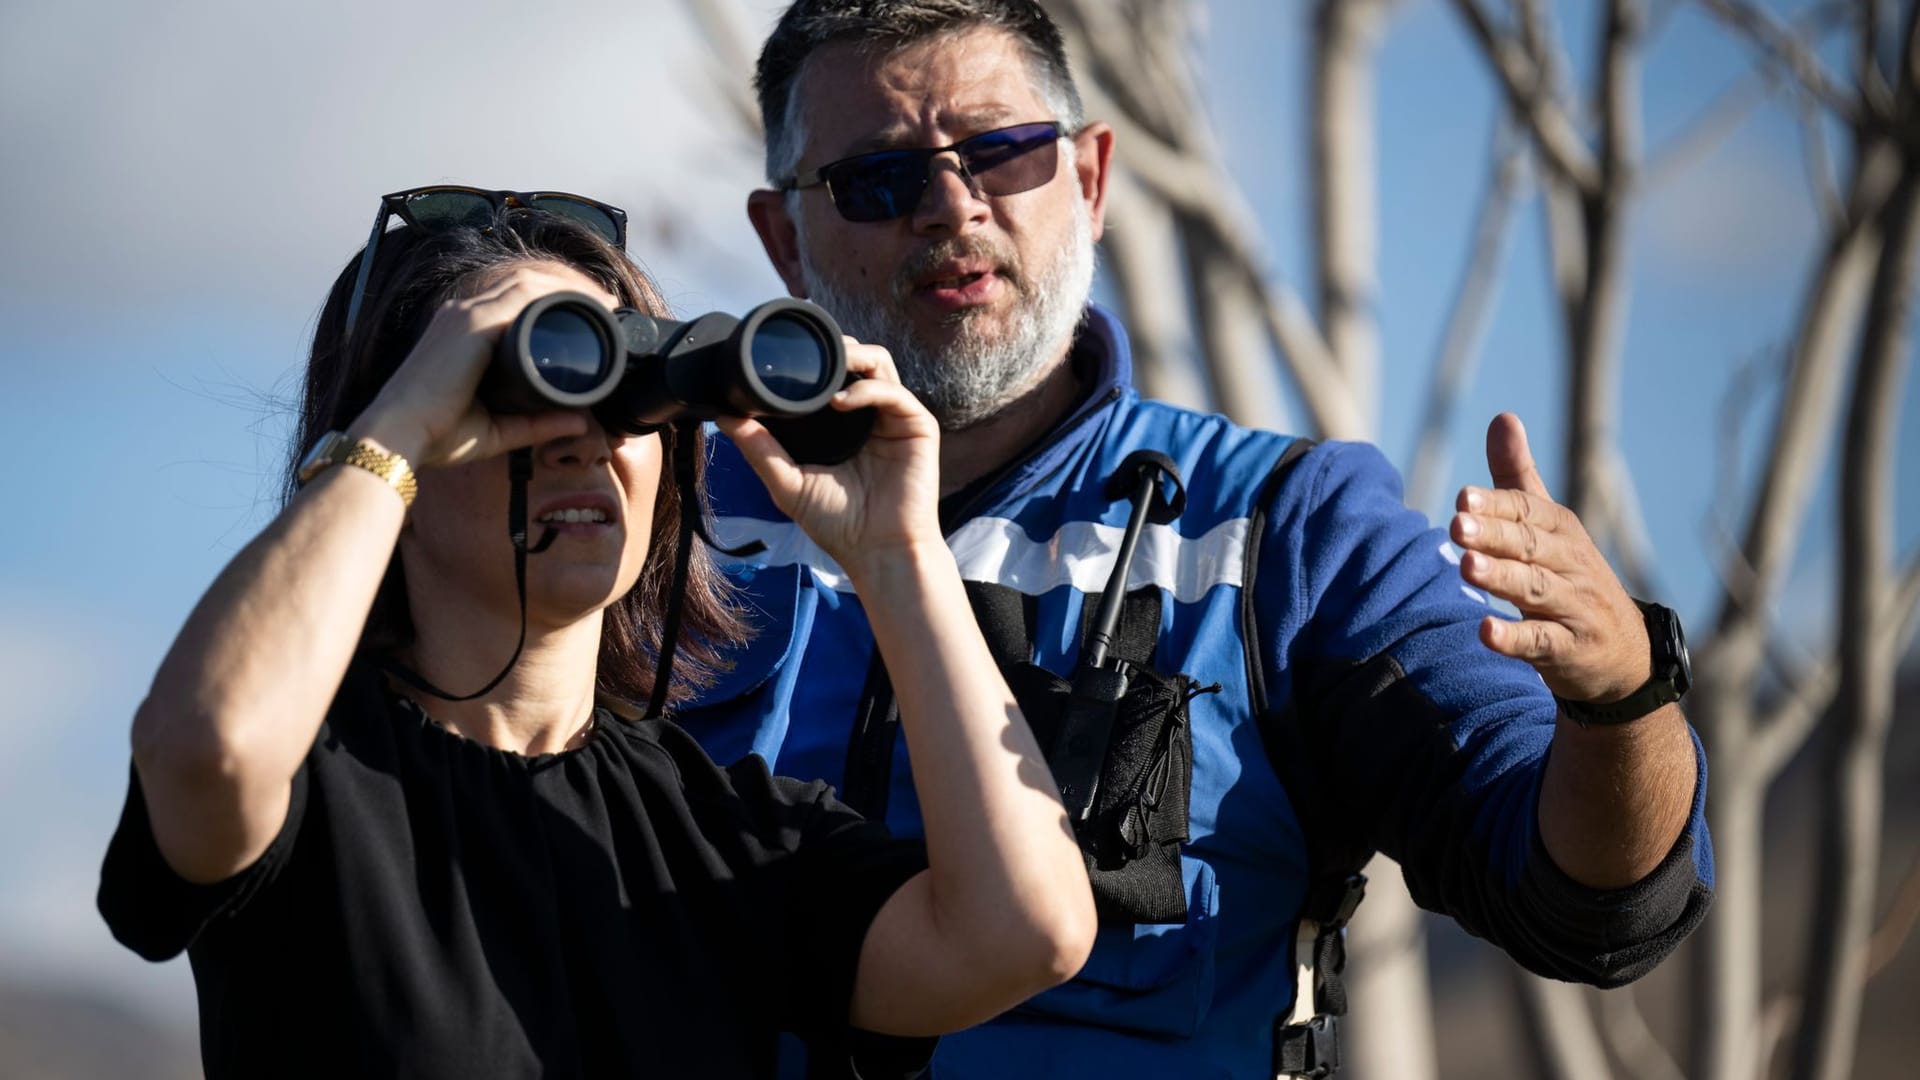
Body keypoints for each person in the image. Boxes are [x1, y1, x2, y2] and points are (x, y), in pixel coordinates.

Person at [675, 2, 1716, 1077]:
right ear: (783, 237)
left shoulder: (1289, 530)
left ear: (1088, 178)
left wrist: (1621, 698)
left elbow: (1595, 909)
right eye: (878, 179)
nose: (951, 206)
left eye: (1004, 152)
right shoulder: (659, 520)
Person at [98, 187, 1097, 1079]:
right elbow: (209, 751)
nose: (585, 437)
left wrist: (897, 554)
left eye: (623, 391)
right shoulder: (311, 781)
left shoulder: (719, 837)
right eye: (521, 387)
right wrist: (397, 425)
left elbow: (1024, 932)